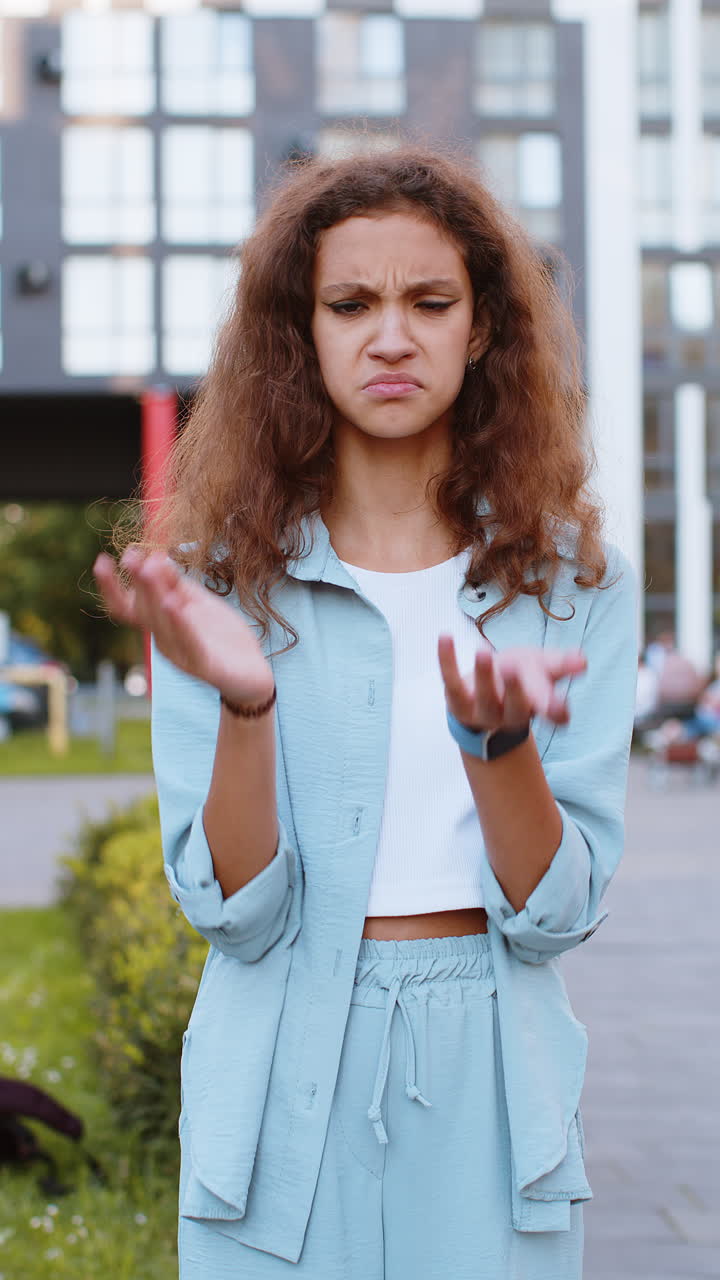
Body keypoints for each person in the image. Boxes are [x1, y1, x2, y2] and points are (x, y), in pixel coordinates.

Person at [94, 144, 638, 1280]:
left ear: (482, 326)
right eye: (352, 303)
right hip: (279, 1059)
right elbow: (233, 916)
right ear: (304, 329)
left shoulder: (576, 583)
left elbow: (559, 916)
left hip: (493, 1063)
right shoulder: (218, 580)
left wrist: (499, 747)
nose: (392, 335)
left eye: (430, 301)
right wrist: (248, 701)